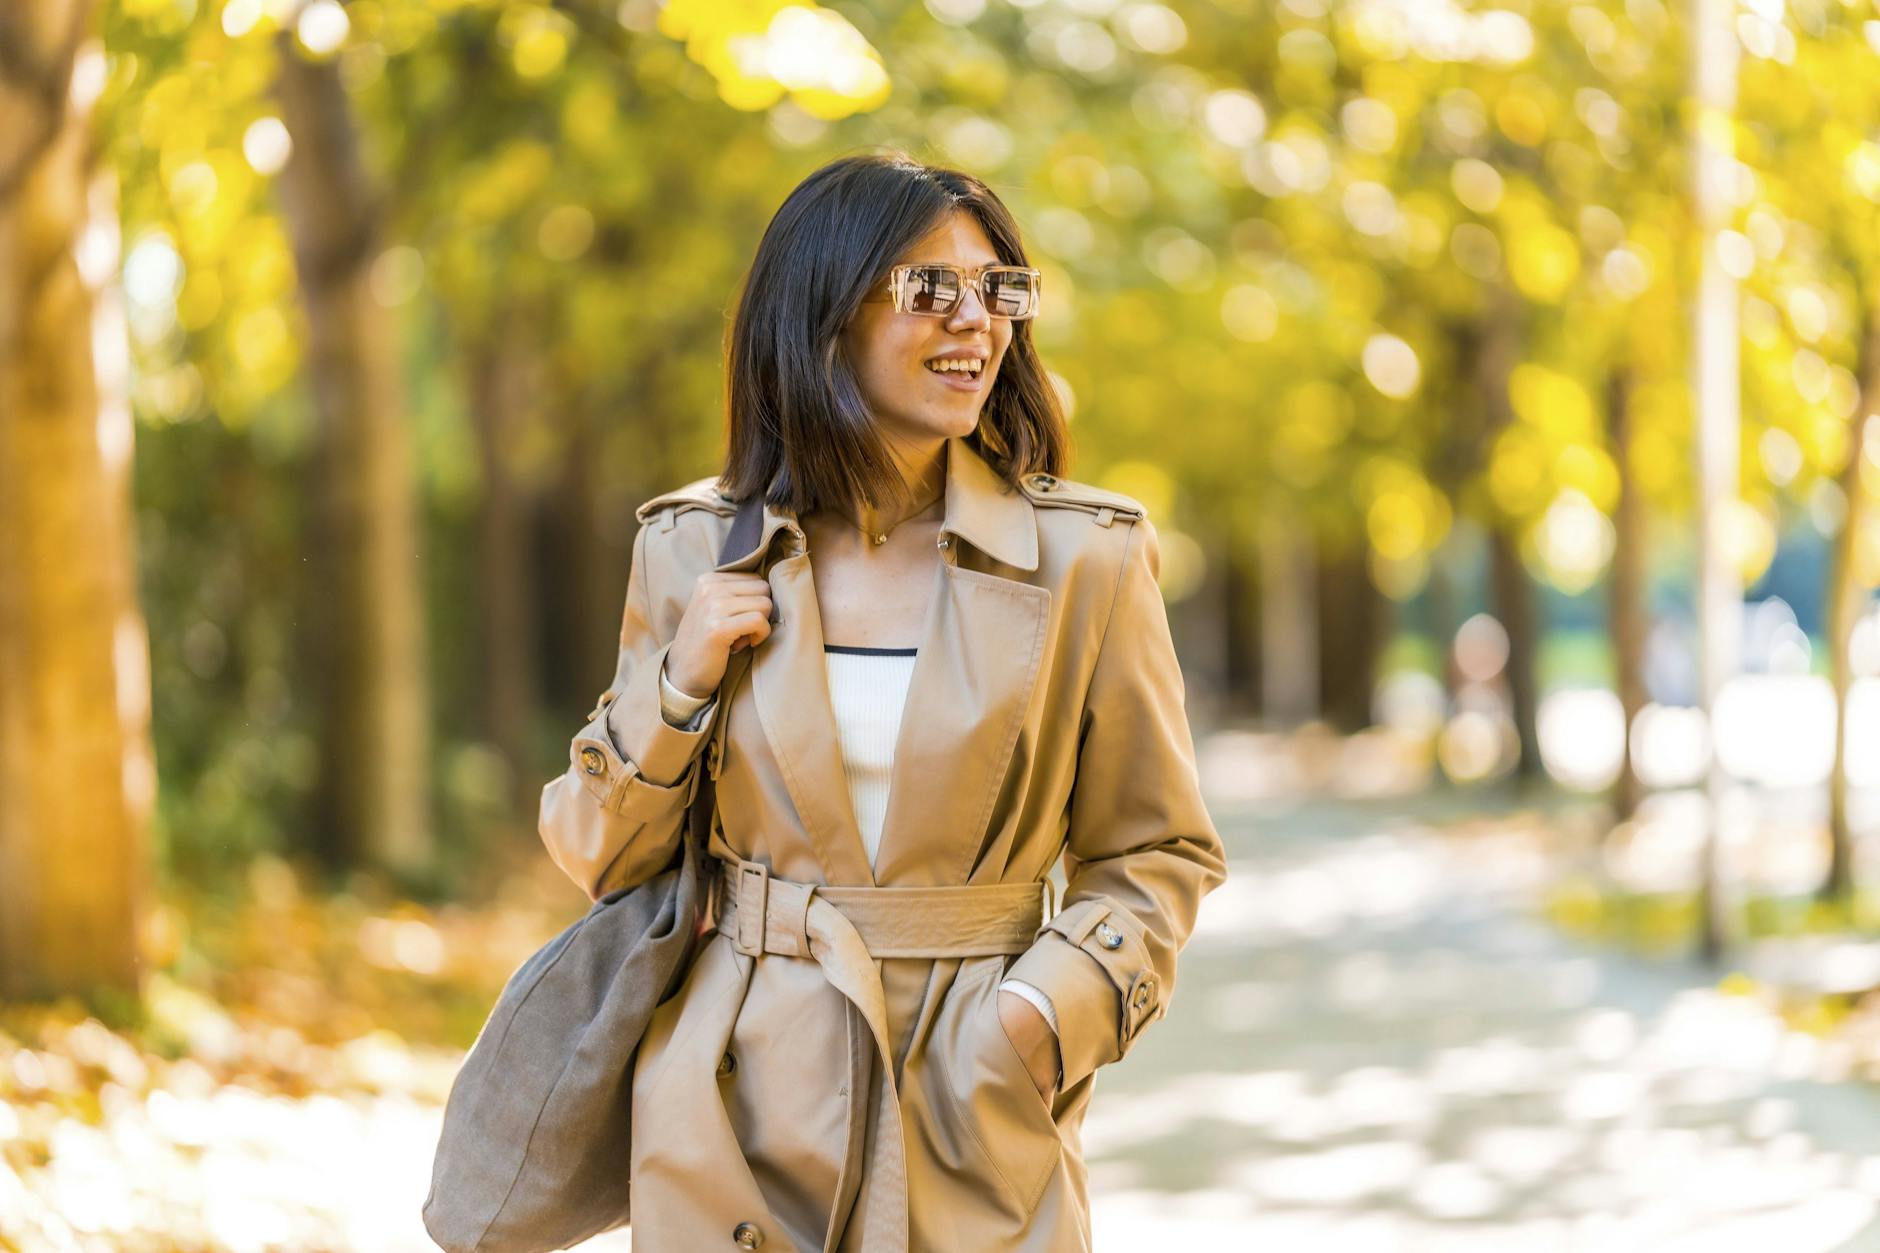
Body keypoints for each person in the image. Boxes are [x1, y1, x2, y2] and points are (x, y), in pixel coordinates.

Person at [537, 151, 1227, 1253]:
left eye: (998, 289)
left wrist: (1037, 1019)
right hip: (735, 1111)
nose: (976, 319)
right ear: (822, 313)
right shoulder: (691, 548)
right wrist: (679, 686)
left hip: (976, 1109)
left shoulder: (1088, 561)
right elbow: (602, 856)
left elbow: (1157, 850)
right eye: (929, 286)